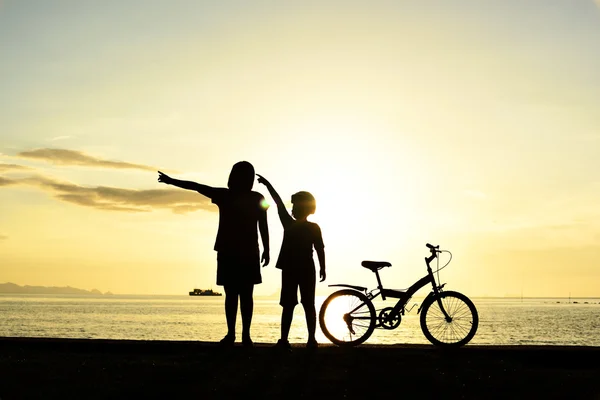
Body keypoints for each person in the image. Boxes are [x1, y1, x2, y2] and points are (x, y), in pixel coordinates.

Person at [158, 162, 269, 347]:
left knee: (234, 295)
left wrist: (171, 181)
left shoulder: (229, 195)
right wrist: (267, 248)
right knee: (242, 295)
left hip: (235, 251)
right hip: (241, 251)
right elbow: (196, 186)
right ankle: (241, 335)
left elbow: (195, 186)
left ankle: (237, 335)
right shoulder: (249, 197)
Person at [257, 174, 325, 349]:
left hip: (295, 269)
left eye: (295, 205)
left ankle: (300, 339)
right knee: (299, 304)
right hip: (300, 268)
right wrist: (268, 185)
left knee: (296, 305)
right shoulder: (306, 226)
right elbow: (319, 249)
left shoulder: (292, 224)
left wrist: (268, 184)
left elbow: (319, 249)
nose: (292, 208)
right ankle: (301, 340)